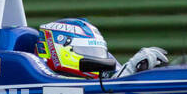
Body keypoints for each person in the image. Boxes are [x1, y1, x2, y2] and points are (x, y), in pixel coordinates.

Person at [35, 18, 168, 79]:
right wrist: (131, 68)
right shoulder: (53, 86)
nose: (98, 59)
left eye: (98, 52)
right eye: (87, 51)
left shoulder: (93, 80)